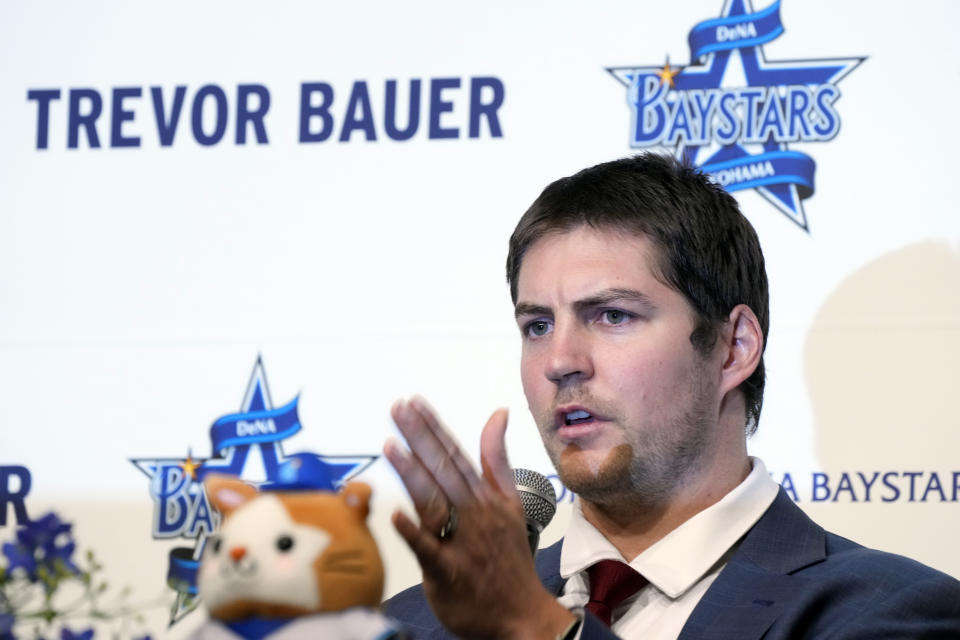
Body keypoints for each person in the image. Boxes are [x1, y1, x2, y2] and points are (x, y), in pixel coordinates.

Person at [380, 153, 960, 639]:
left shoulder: (888, 611)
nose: (559, 362)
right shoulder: (406, 626)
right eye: (537, 325)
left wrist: (540, 630)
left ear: (733, 348)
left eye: (611, 315)